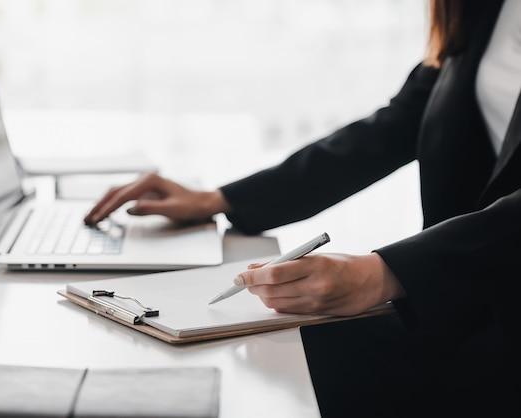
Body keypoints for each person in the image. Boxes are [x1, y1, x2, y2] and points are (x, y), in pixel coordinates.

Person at [85, 0, 520, 416]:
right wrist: (223, 199)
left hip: (493, 316)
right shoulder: (483, 7)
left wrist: (384, 273)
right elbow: (396, 125)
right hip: (463, 295)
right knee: (264, 362)